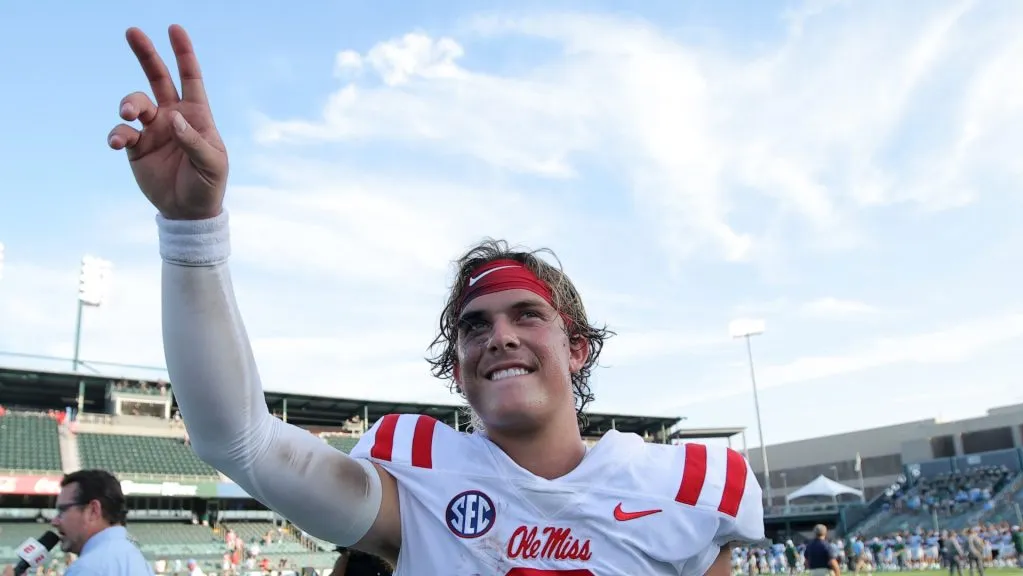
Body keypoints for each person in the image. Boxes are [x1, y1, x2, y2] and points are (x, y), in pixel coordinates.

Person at [108, 24, 765, 573]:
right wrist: (192, 231)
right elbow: (238, 440)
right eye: (475, 328)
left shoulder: (682, 490)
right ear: (457, 370)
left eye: (526, 315)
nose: (499, 336)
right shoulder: (419, 480)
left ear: (578, 347)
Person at [2, 469, 154, 576]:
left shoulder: (89, 567)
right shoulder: (132, 556)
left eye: (62, 511)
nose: (54, 521)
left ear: (93, 511)